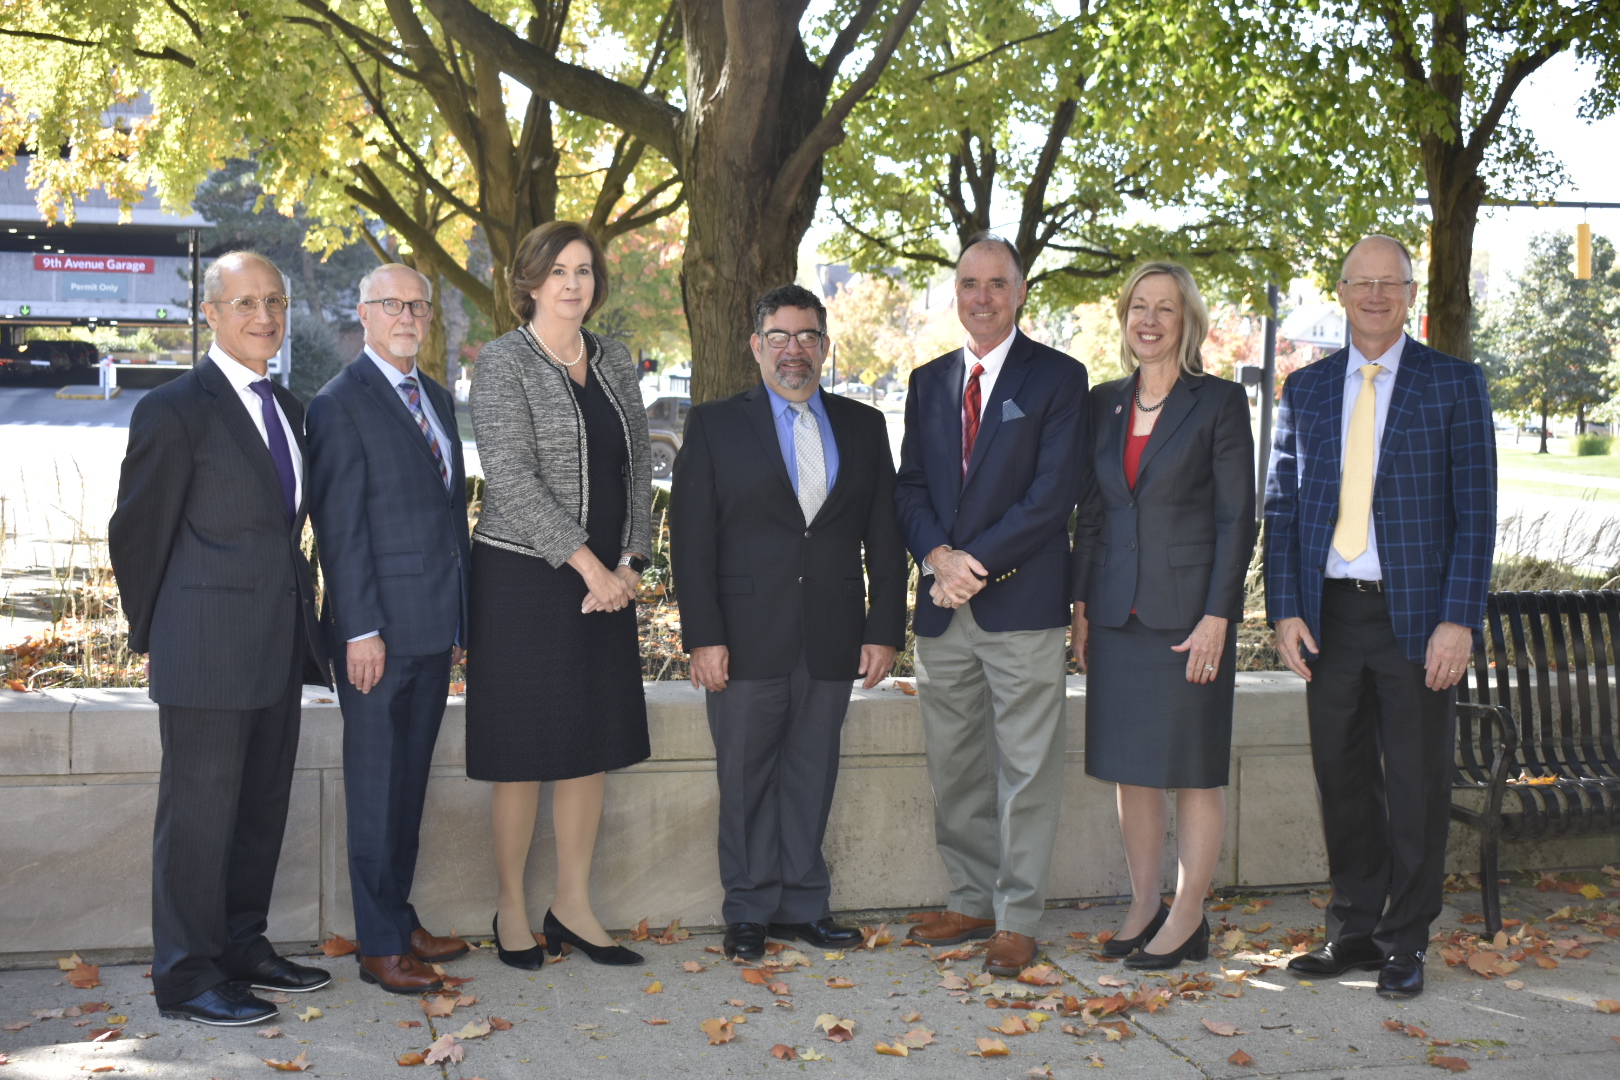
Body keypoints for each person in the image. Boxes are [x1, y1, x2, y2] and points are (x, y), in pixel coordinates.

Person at [1265, 234, 1496, 998]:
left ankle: (1406, 939)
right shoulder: (1306, 389)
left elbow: (1476, 514)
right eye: (1360, 283)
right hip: (1328, 615)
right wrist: (1285, 609)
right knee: (1342, 777)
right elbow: (1285, 507)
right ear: (1340, 291)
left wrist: (1458, 620)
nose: (1374, 295)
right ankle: (1354, 930)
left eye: (1388, 283)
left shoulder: (1454, 384)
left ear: (1409, 292)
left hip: (1419, 619)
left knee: (1417, 783)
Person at [109, 251, 332, 1025]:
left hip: (277, 646)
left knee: (260, 808)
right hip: (204, 649)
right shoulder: (175, 408)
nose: (263, 316)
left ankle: (242, 947)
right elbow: (136, 535)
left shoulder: (295, 410)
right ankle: (186, 976)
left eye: (273, 300)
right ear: (210, 313)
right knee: (199, 820)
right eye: (244, 303)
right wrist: (164, 632)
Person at [669, 285, 908, 961]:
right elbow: (692, 541)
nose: (793, 351)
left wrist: (884, 628)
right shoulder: (715, 425)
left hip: (833, 633)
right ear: (756, 346)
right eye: (779, 337)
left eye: (807, 337)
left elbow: (884, 539)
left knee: (812, 772)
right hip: (742, 639)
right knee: (745, 778)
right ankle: (748, 910)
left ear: (825, 346)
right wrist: (703, 637)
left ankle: (804, 904)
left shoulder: (864, 427)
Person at [895, 233, 1093, 976]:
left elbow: (1052, 498)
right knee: (956, 768)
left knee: (1026, 771)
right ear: (957, 292)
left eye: (997, 284)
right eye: (969, 284)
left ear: (1020, 292)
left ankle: (1016, 917)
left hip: (1020, 607)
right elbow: (909, 487)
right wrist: (936, 559)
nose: (982, 297)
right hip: (944, 610)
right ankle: (972, 898)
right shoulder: (928, 381)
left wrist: (971, 563)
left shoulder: (1059, 379)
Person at [466, 221, 653, 969]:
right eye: (559, 271)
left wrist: (632, 558)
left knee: (589, 746)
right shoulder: (504, 362)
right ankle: (512, 906)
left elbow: (639, 466)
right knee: (522, 750)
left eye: (584, 270)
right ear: (531, 282)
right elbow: (509, 477)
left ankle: (572, 904)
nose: (573, 283)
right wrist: (590, 568)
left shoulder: (612, 359)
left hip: (607, 583)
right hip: (523, 581)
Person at [1070, 262, 1255, 970]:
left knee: (1194, 771)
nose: (1149, 320)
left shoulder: (1217, 403)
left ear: (1188, 322)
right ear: (1124, 318)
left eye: (1165, 309)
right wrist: (1083, 607)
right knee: (1132, 771)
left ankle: (1187, 916)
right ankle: (1144, 904)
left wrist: (1219, 615)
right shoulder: (1103, 402)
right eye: (1138, 307)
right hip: (1117, 614)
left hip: (1189, 618)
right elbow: (1092, 513)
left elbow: (1239, 518)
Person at [305, 263, 473, 994]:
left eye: (418, 306)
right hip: (377, 638)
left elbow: (445, 518)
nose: (407, 316)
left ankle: (399, 921)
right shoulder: (339, 404)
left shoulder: (434, 395)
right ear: (364, 315)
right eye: (391, 305)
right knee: (375, 792)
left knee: (407, 791)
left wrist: (460, 618)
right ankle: (378, 948)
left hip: (434, 630)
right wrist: (360, 629)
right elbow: (339, 529)